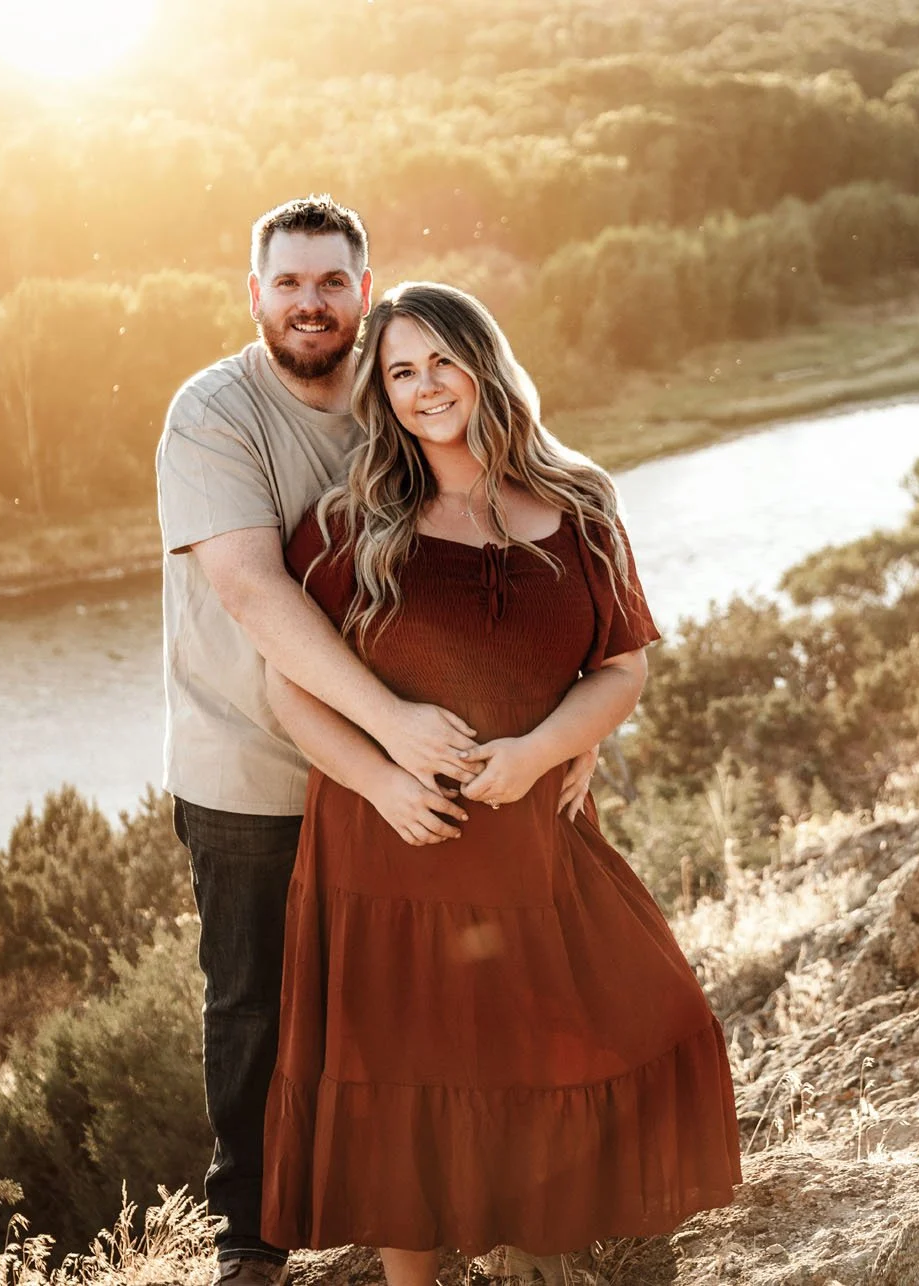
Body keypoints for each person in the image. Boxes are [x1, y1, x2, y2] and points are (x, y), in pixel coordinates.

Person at [257, 281, 742, 1286]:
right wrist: (384, 780)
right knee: (401, 1069)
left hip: (533, 830)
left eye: (442, 360)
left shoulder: (578, 505)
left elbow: (621, 667)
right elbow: (287, 687)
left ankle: (540, 1256)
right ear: (382, 397)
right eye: (401, 372)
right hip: (390, 844)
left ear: (484, 361)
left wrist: (540, 751)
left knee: (584, 1028)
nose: (427, 387)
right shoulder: (351, 522)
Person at [155, 198, 600, 1286]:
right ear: (254, 294)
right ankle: (253, 1238)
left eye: (331, 282)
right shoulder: (214, 413)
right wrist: (389, 722)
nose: (311, 303)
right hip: (255, 761)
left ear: (364, 287)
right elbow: (256, 594)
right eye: (289, 283)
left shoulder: (401, 387)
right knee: (258, 1002)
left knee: (430, 1001)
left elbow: (513, 561)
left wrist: (569, 723)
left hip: (413, 784)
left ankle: (476, 1202)